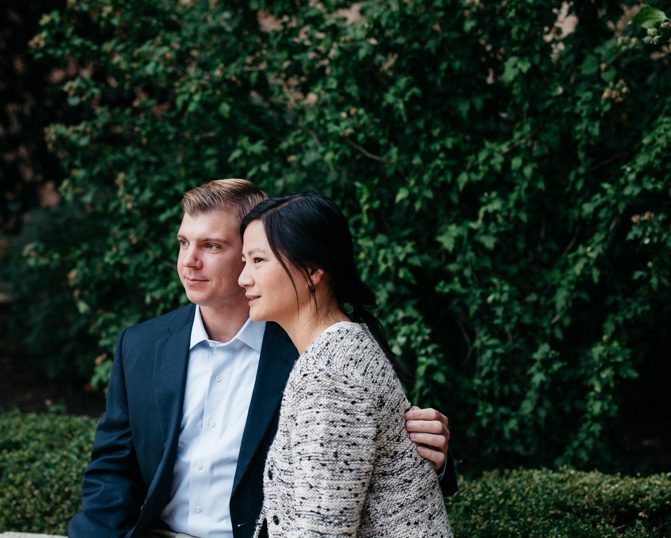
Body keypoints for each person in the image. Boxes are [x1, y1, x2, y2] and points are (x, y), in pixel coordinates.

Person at [68, 179, 455, 538]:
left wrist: (428, 455)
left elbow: (364, 460)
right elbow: (110, 473)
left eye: (212, 246)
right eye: (183, 242)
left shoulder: (313, 351)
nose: (188, 261)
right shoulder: (140, 345)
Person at [239, 191, 453, 536]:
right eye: (244, 261)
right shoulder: (340, 351)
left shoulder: (332, 375)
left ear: (312, 271)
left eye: (258, 260)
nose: (243, 278)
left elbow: (321, 529)